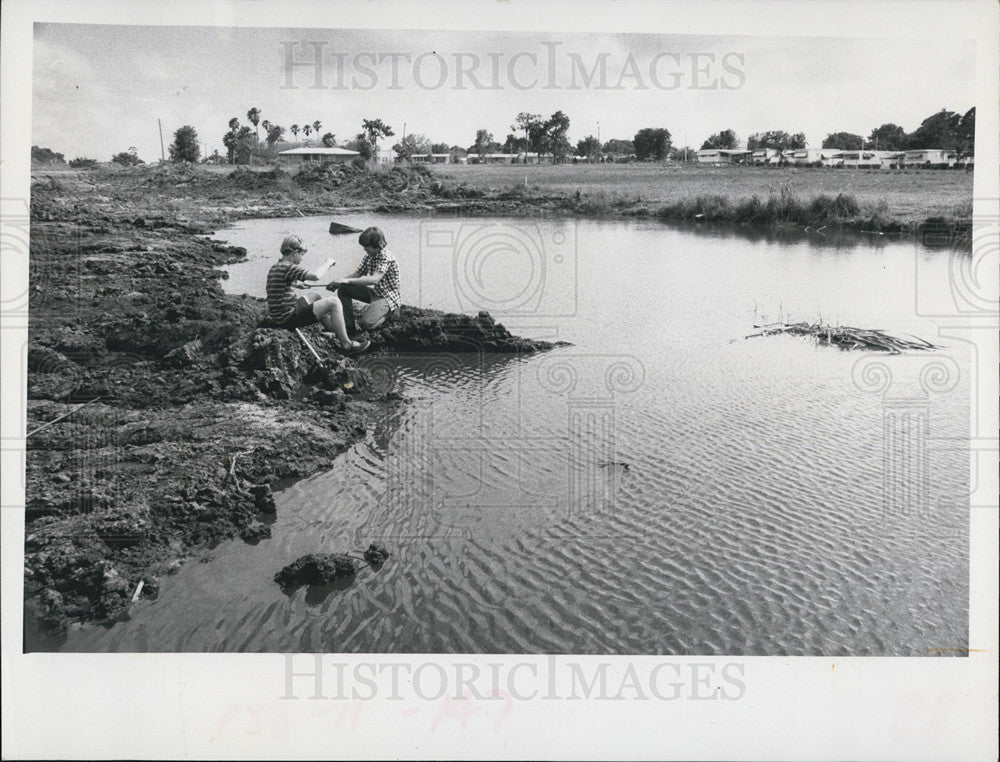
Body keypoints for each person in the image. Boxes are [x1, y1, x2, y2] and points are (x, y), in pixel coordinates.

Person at [266, 234, 369, 353]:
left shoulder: (277, 266)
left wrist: (297, 284)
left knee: (316, 296)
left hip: (278, 316)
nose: (302, 258)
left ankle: (335, 330)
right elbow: (316, 276)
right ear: (294, 253)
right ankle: (347, 344)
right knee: (334, 302)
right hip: (287, 318)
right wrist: (328, 263)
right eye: (301, 255)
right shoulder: (290, 267)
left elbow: (279, 284)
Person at [326, 226, 400, 335]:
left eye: (366, 246)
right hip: (375, 293)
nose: (364, 249)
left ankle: (390, 312)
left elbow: (374, 280)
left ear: (377, 245)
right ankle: (349, 326)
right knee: (343, 289)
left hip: (387, 297)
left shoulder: (386, 257)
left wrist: (347, 281)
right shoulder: (369, 256)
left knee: (366, 324)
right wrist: (339, 281)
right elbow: (357, 274)